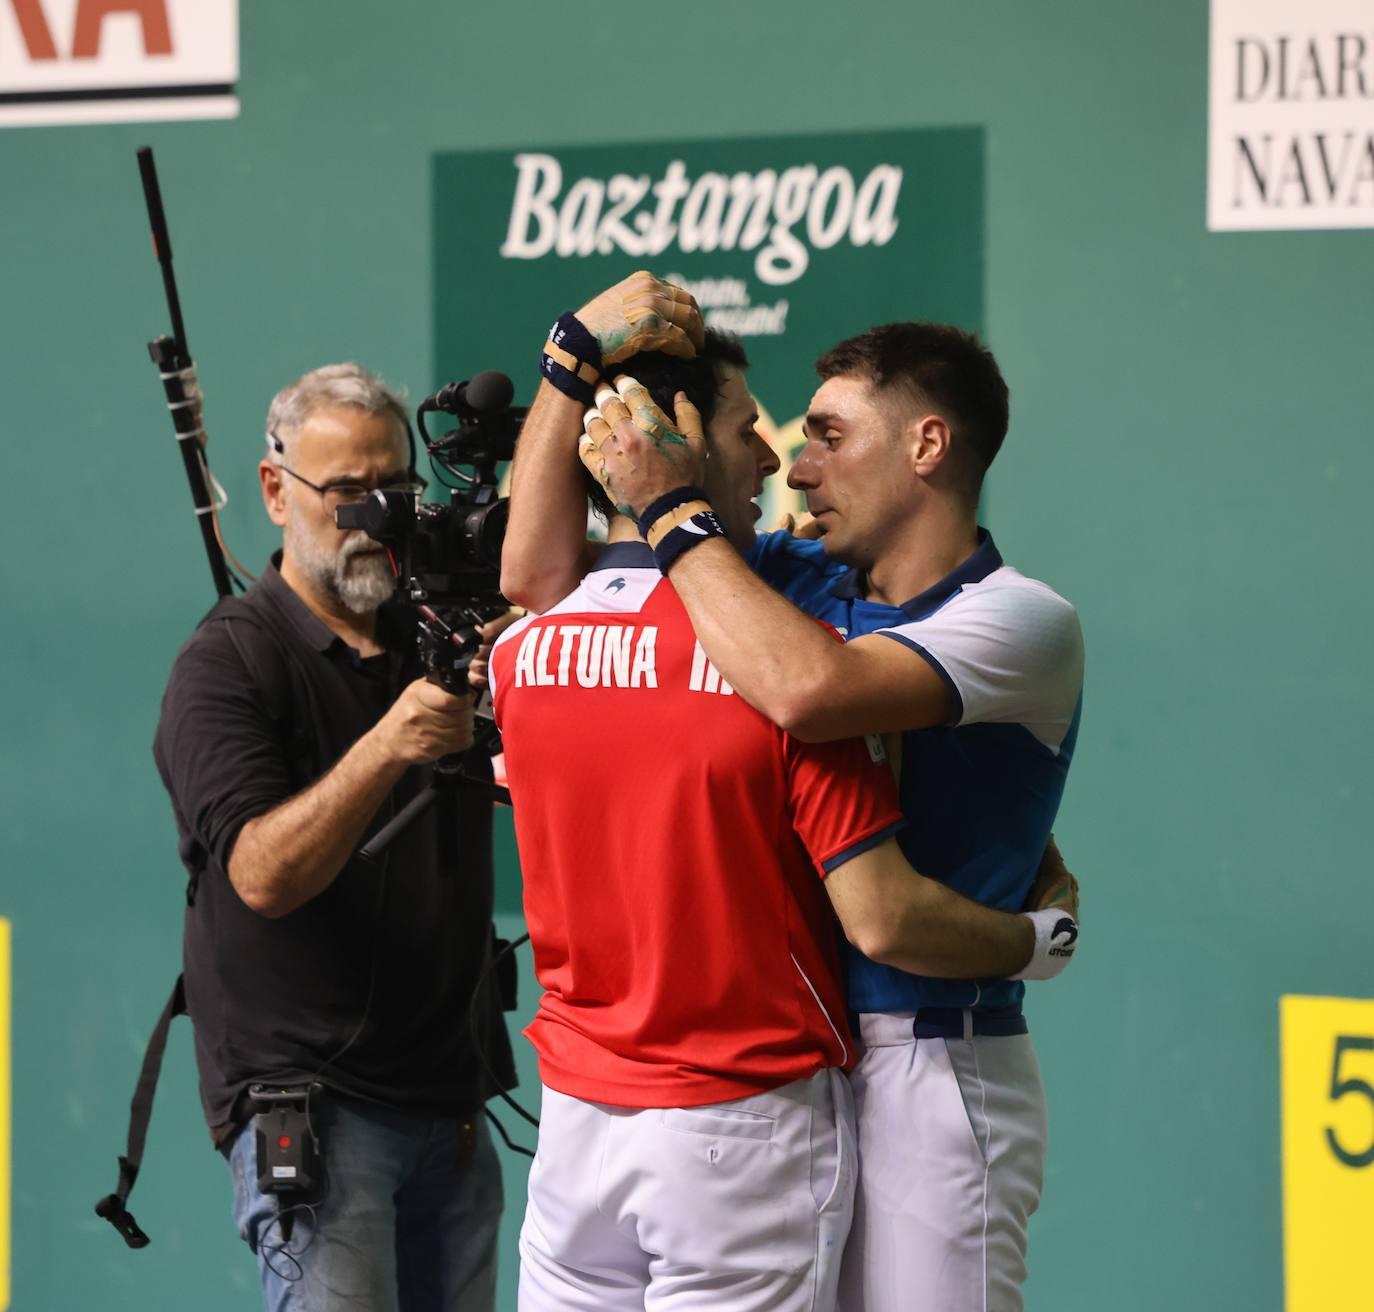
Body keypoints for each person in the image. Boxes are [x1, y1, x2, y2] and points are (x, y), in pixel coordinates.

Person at [503, 274, 1084, 1312]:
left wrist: (1037, 944)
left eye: (826, 436)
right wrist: (570, 360)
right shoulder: (790, 580)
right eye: (784, 436)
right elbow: (545, 577)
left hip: (932, 1058)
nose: (793, 465)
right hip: (811, 1069)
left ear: (927, 447)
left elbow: (812, 690)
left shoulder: (1023, 619)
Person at [152, 363, 515, 1312]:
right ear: (275, 490)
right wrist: (390, 743)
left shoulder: (436, 637)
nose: (374, 519)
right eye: (348, 494)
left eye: (394, 490)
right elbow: (261, 874)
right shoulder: (225, 663)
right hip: (320, 1109)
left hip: (453, 1100)